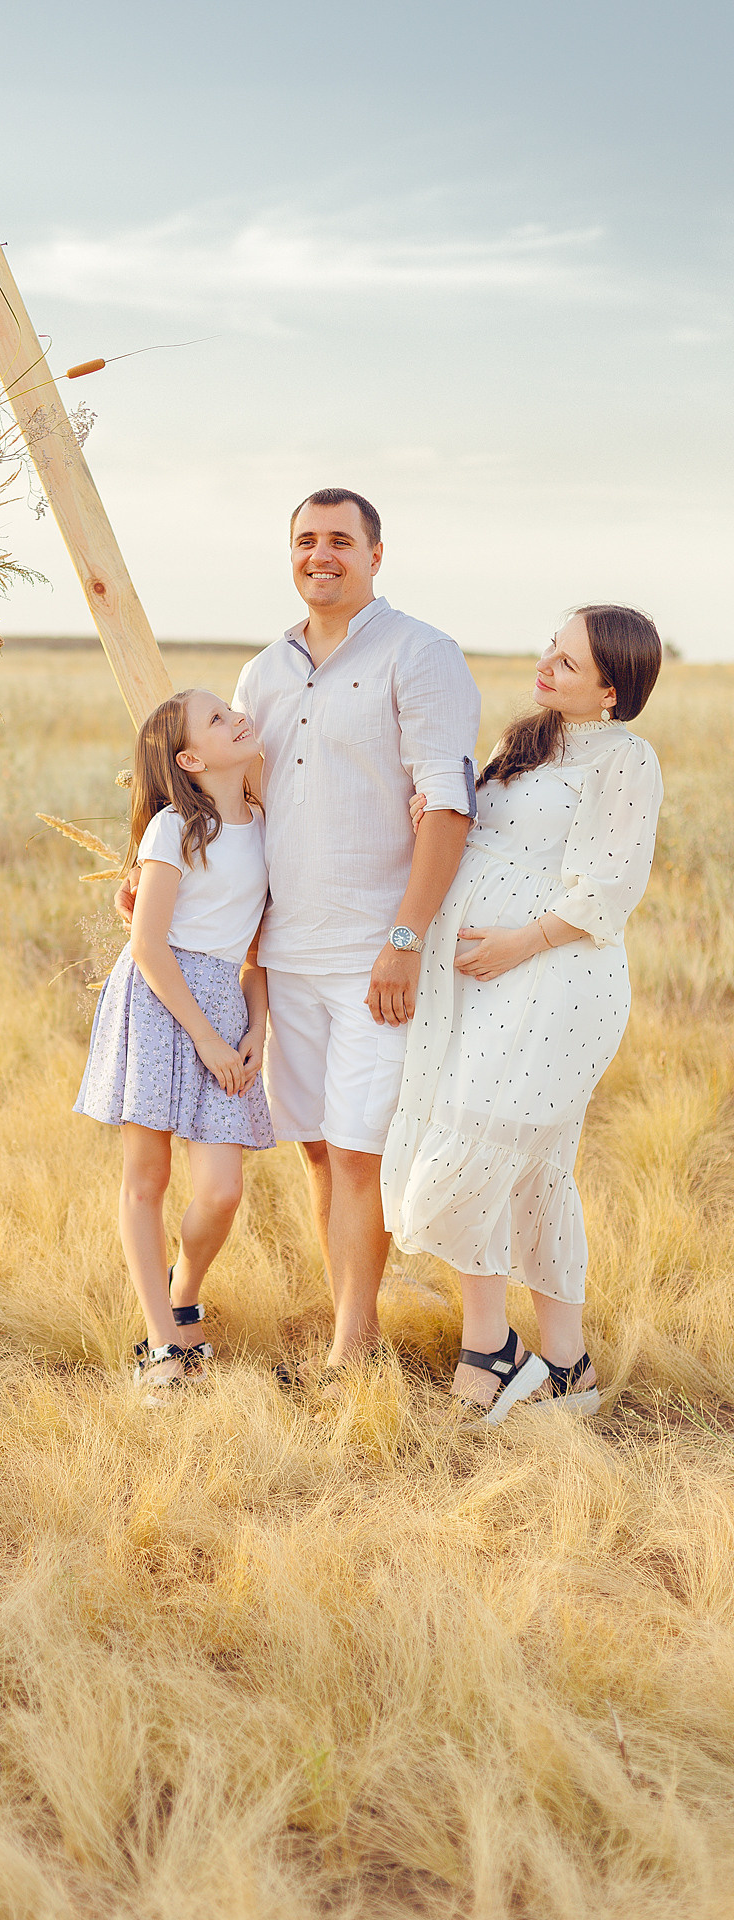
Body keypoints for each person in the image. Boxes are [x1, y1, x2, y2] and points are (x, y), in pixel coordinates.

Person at [118, 489, 481, 1376]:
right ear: (291, 554)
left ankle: (350, 1360)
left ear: (375, 554)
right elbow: (224, 798)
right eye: (306, 541)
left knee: (360, 1152)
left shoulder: (421, 654)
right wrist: (150, 869)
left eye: (341, 541)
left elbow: (447, 804)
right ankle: (344, 1330)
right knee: (318, 1148)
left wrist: (405, 939)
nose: (323, 555)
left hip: (375, 955)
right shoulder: (261, 674)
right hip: (279, 958)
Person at [383, 605, 664, 1422]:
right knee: (529, 1168)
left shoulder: (625, 759)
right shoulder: (525, 740)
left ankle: (491, 1352)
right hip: (478, 979)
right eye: (552, 647)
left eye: (569, 663)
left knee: (481, 1150)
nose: (546, 664)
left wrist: (517, 943)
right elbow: (482, 837)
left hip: (554, 979)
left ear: (613, 688)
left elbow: (610, 887)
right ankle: (565, 1366)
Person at [75, 688, 275, 1404]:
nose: (237, 718)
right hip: (161, 1004)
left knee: (221, 1191)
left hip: (227, 1000)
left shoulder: (263, 825)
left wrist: (254, 1031)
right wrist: (207, 1039)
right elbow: (148, 945)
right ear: (190, 759)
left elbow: (257, 955)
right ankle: (160, 1343)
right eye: (218, 720)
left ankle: (181, 1294)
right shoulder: (174, 828)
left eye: (231, 709)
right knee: (148, 1177)